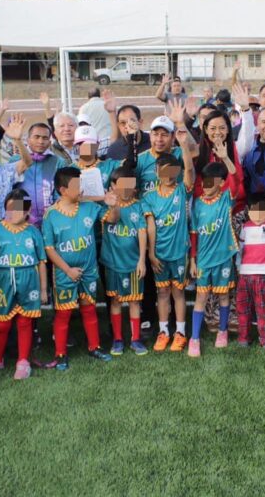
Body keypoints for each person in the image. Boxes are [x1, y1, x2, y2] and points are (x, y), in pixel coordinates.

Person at [41, 167, 119, 370]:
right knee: (63, 313)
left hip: (89, 271)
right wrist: (67, 270)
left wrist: (114, 205)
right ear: (63, 189)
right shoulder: (50, 215)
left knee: (89, 308)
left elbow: (113, 219)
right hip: (65, 273)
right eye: (76, 185)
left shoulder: (89, 207)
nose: (81, 188)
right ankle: (60, 353)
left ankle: (94, 347)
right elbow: (49, 249)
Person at [0, 190, 48, 380]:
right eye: (9, 209)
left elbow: (41, 262)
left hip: (29, 282)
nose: (13, 214)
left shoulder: (34, 232)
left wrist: (43, 289)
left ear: (27, 211)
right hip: (4, 282)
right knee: (2, 324)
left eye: (18, 210)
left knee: (25, 322)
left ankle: (23, 361)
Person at [143, 151, 196, 352]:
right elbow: (151, 226)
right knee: (162, 292)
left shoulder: (182, 190)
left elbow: (190, 170)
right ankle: (163, 331)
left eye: (172, 170)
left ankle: (180, 333)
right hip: (159, 255)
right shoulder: (149, 197)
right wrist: (151, 254)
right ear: (156, 171)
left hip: (180, 252)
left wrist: (184, 146)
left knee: (178, 292)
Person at [186, 161, 240, 356]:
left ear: (221, 183)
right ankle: (194, 339)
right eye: (204, 182)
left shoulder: (226, 199)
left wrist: (226, 158)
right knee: (201, 297)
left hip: (223, 258)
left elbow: (236, 180)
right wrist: (192, 260)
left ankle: (223, 331)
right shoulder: (197, 204)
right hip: (203, 261)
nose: (206, 186)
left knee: (224, 296)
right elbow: (193, 234)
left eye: (211, 182)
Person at [101, 167, 148, 356]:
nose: (126, 189)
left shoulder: (139, 206)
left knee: (135, 301)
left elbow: (142, 231)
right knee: (116, 300)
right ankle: (118, 339)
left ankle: (135, 339)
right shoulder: (105, 206)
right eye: (121, 185)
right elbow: (113, 219)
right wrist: (113, 204)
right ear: (112, 186)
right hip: (113, 264)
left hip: (133, 263)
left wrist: (142, 260)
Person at [236, 178, 265, 349]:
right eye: (254, 210)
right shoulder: (245, 227)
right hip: (245, 275)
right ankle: (243, 337)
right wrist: (239, 268)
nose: (258, 215)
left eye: (262, 210)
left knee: (263, 307)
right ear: (248, 211)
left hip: (264, 275)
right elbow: (241, 250)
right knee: (243, 308)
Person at [77, 88, 113, 156]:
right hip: (108, 140)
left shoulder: (84, 107)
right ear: (99, 95)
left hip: (91, 142)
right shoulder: (106, 105)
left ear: (88, 97)